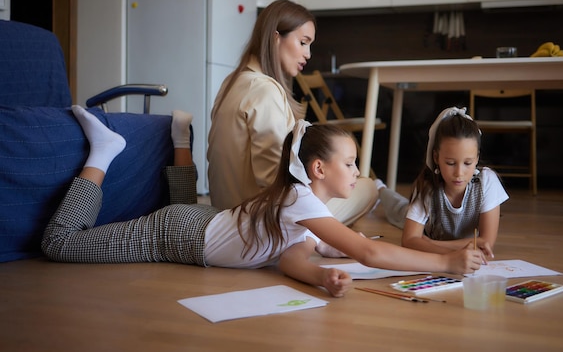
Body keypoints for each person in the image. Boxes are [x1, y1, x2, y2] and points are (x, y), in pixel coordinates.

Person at [42, 107, 484, 298]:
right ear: (318, 170)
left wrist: (319, 276)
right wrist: (445, 266)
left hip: (200, 222)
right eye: (349, 163)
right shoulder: (300, 200)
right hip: (177, 236)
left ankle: (181, 138)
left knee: (176, 204)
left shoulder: (306, 206)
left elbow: (291, 257)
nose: (357, 172)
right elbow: (368, 252)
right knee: (60, 244)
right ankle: (103, 151)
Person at [207, 0, 377, 226]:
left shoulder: (233, 82)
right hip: (257, 222)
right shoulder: (264, 89)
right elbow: (273, 179)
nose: (308, 54)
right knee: (367, 187)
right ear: (276, 37)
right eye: (303, 42)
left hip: (225, 211)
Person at [378, 107, 509, 259]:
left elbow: (485, 242)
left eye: (467, 163)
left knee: (403, 208)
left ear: (477, 158)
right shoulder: (427, 188)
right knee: (398, 208)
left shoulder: (486, 181)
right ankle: (380, 189)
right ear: (436, 157)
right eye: (450, 163)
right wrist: (458, 253)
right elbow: (408, 240)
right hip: (425, 224)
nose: (459, 173)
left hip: (431, 241)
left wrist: (430, 244)